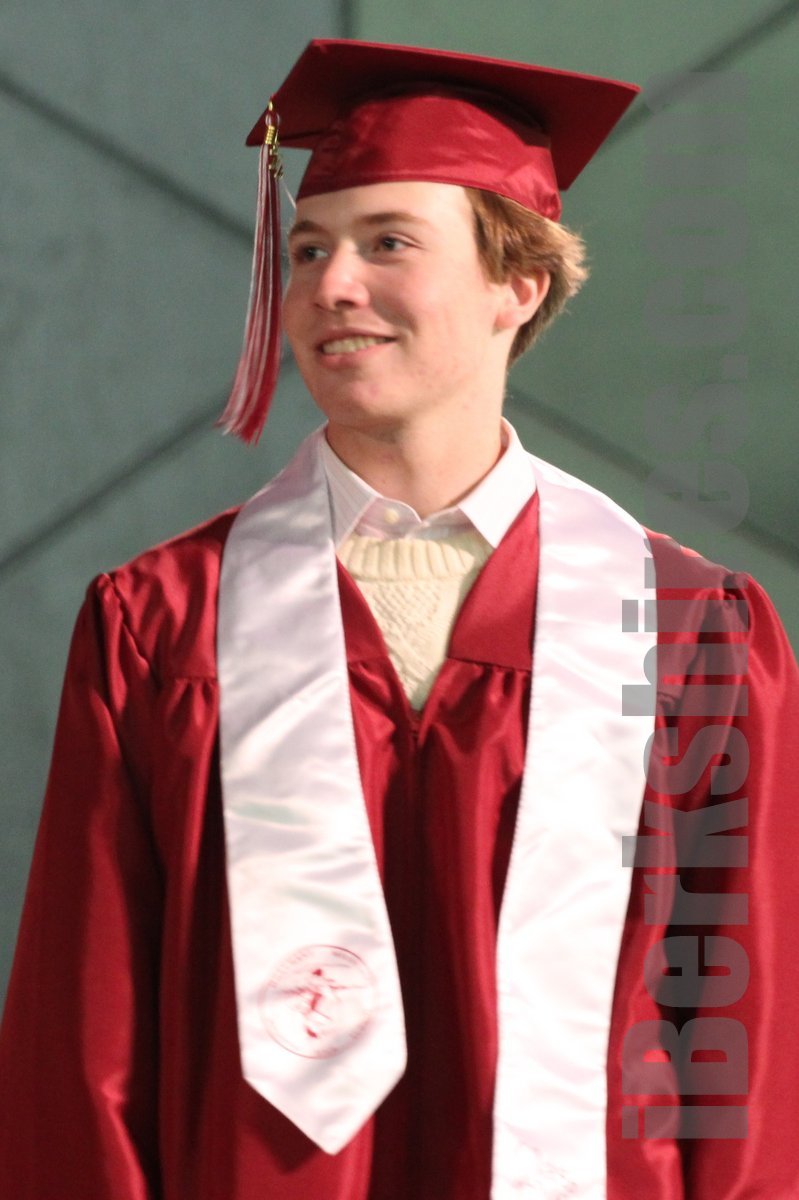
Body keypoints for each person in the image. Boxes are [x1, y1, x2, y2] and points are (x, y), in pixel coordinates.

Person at [1, 38, 798, 1200]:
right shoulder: (163, 626)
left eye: (388, 243)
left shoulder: (681, 631)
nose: (330, 284)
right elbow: (83, 1043)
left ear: (516, 286)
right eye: (309, 248)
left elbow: (740, 1045)